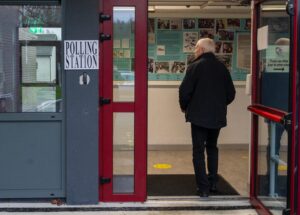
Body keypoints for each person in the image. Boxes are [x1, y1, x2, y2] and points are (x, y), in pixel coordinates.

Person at [179, 38, 236, 198]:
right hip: (216, 116)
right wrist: (219, 105)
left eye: (196, 48)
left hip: (198, 117)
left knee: (198, 151)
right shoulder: (222, 68)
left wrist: (185, 107)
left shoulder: (194, 67)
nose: (194, 51)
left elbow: (184, 91)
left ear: (202, 50)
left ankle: (203, 188)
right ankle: (212, 184)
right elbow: (231, 94)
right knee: (212, 148)